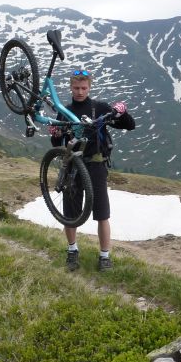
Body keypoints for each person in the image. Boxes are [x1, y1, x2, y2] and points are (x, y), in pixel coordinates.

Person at [49, 69, 135, 271]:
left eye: (84, 88)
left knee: (102, 214)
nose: (80, 91)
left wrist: (122, 112)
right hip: (73, 166)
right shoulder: (64, 110)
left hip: (96, 165)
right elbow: (56, 143)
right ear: (71, 87)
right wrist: (54, 133)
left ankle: (104, 256)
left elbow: (130, 125)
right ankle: (72, 251)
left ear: (89, 87)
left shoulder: (99, 108)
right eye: (76, 87)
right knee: (71, 213)